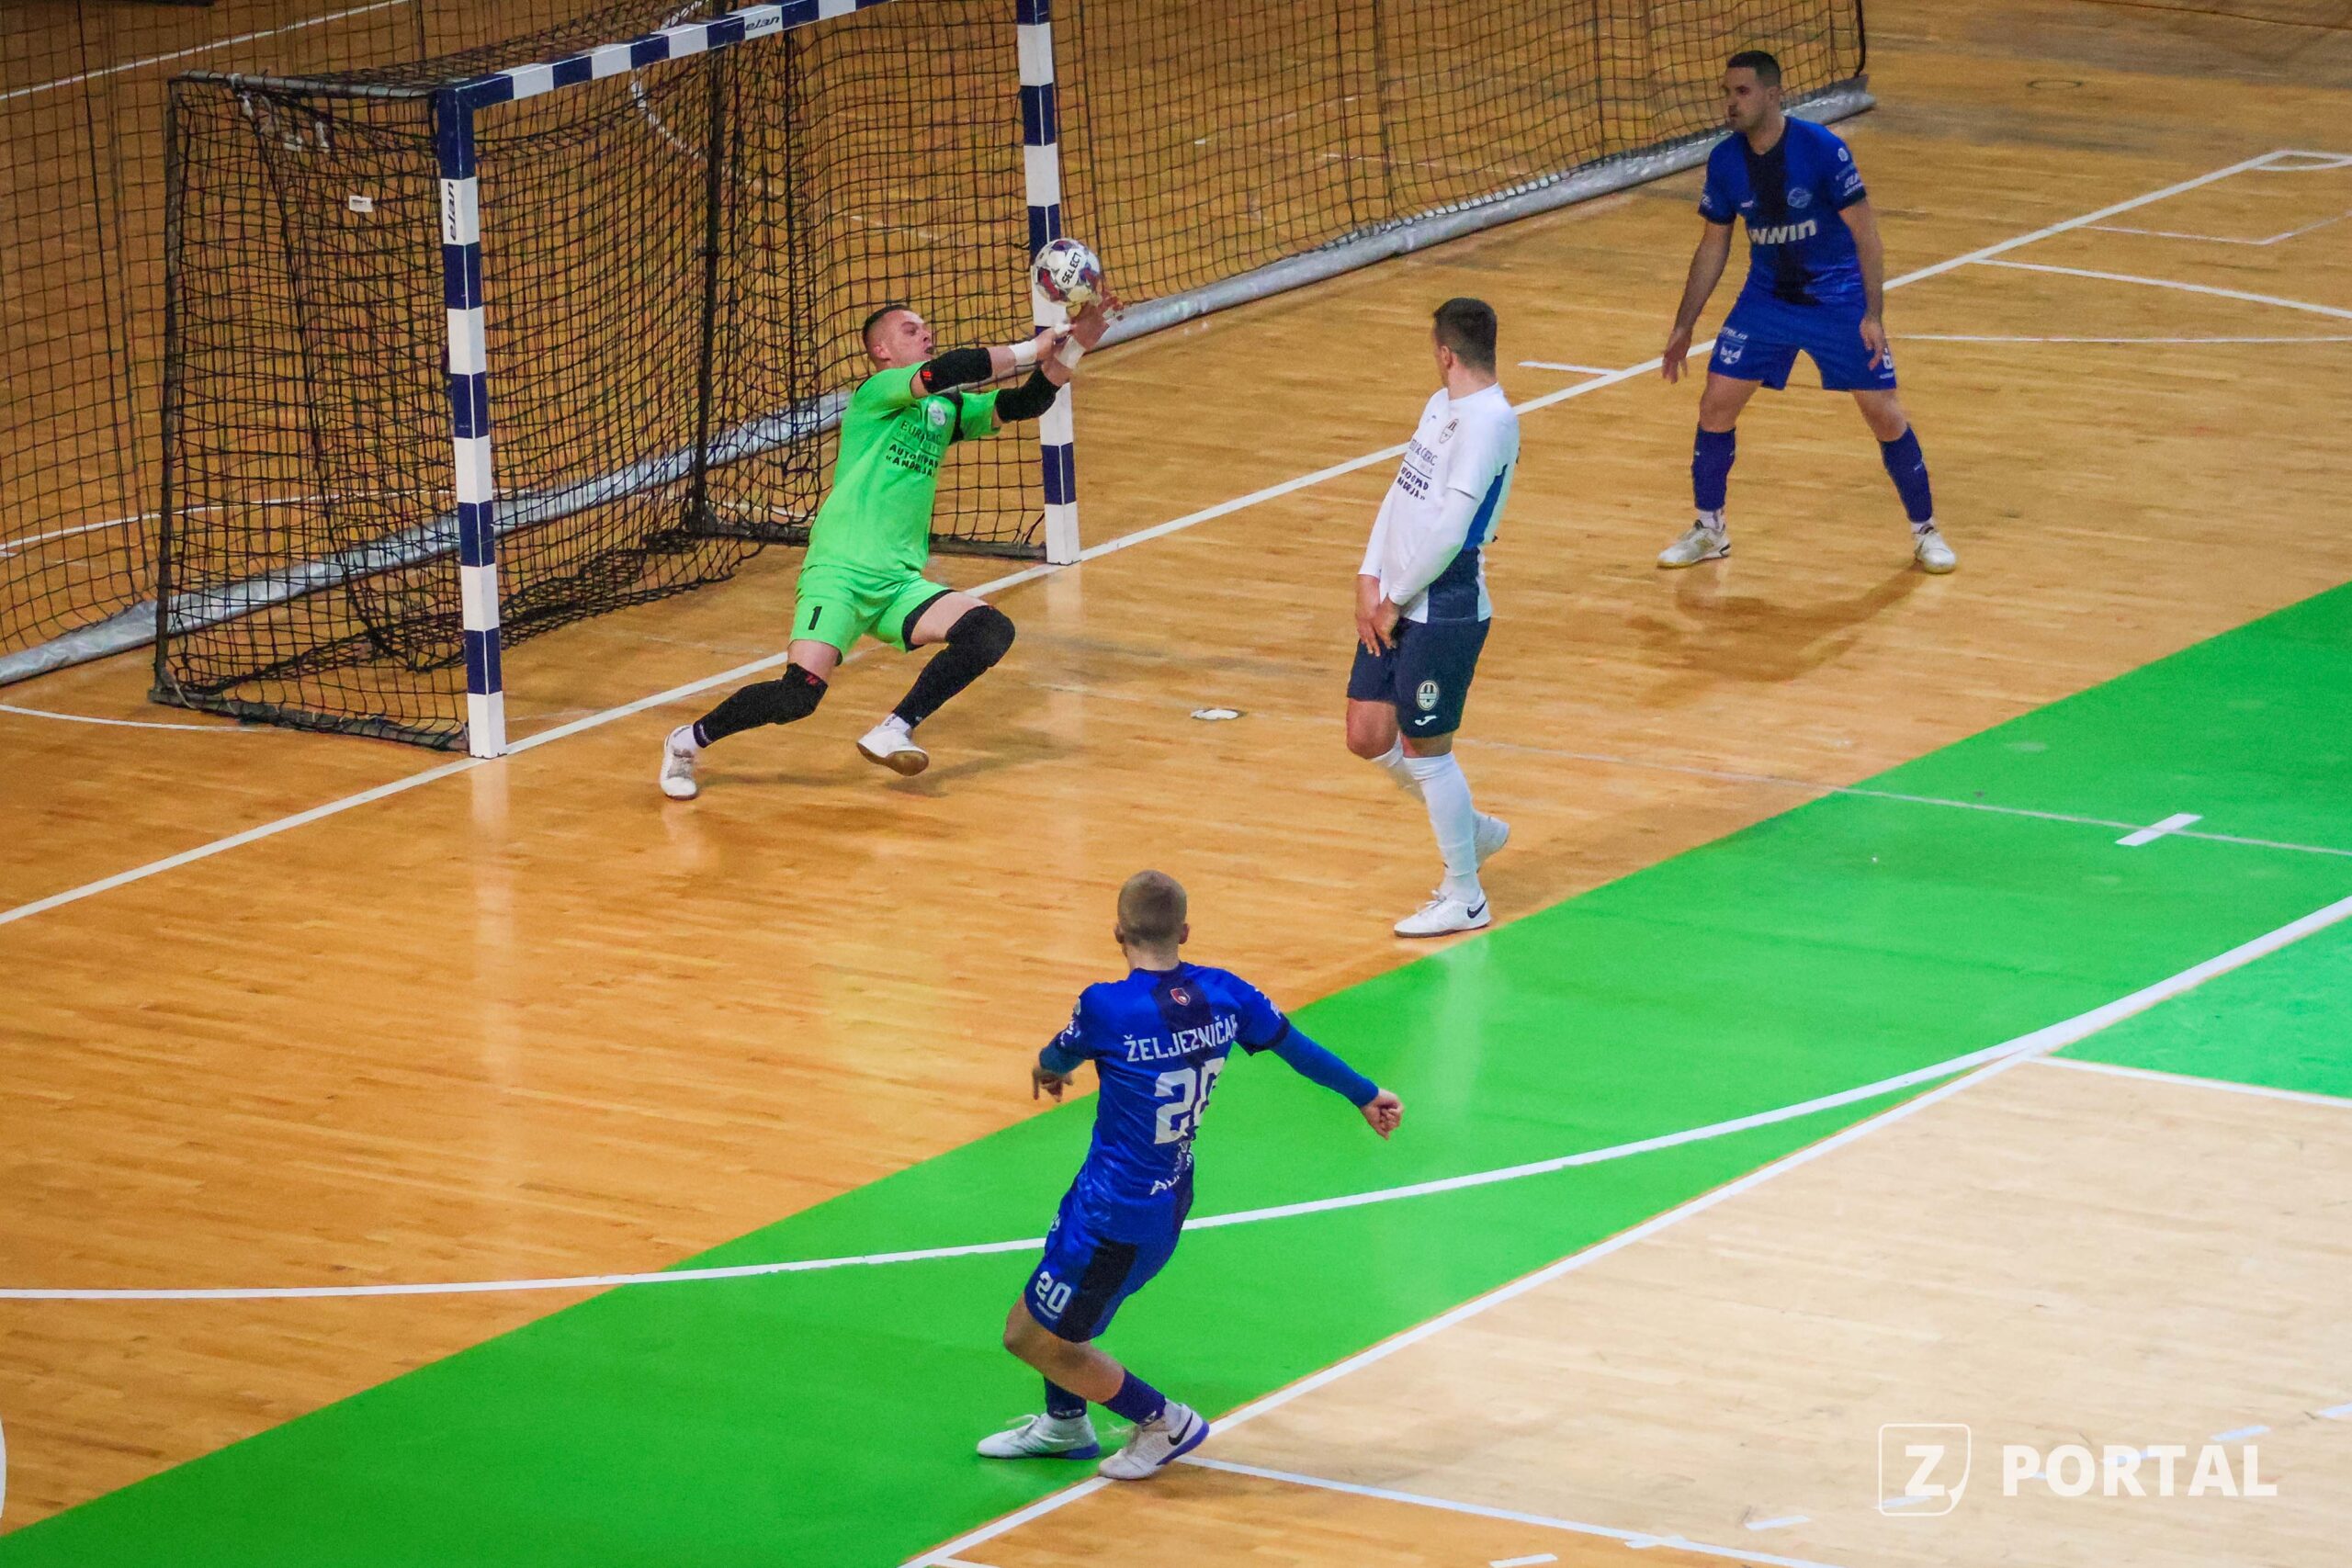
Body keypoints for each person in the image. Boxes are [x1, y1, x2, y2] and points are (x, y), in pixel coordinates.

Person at [979, 870, 1404, 1480]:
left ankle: (1164, 1422)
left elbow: (1056, 1058)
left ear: (1117, 932)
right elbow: (1298, 1048)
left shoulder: (1105, 1005)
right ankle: (1065, 1422)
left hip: (1117, 1213)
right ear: (1184, 931)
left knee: (1029, 1336)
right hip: (1160, 1188)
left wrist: (1047, 1071)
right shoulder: (1228, 993)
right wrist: (1366, 1093)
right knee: (1063, 1313)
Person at [659, 297, 1112, 798]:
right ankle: (685, 743)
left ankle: (895, 728)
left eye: (925, 327)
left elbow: (1025, 403)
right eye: (910, 330)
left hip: (898, 584)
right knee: (797, 697)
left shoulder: (942, 411)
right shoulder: (875, 394)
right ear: (881, 351)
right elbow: (948, 369)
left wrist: (1076, 347)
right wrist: (1031, 348)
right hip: (840, 575)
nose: (926, 334)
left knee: (989, 630)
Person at [1657, 50, 1956, 575]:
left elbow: (1868, 236)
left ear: (1773, 95)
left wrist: (1873, 314)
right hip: (1766, 299)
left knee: (1883, 414)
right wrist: (1685, 325)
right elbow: (1713, 245)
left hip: (1836, 298)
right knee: (1715, 405)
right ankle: (1710, 529)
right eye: (1727, 93)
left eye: (1742, 92)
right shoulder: (1725, 161)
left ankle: (1925, 530)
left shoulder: (1822, 149)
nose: (1731, 103)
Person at [1345, 298, 1519, 938]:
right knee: (1367, 733)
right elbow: (1403, 490)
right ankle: (1471, 828)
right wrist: (1368, 575)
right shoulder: (1440, 405)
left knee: (1426, 747)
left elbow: (1450, 529)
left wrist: (1393, 600)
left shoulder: (1491, 422)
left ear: (1446, 352)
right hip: (1394, 598)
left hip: (1443, 607)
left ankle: (1466, 895)